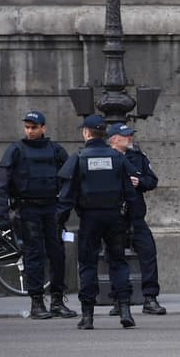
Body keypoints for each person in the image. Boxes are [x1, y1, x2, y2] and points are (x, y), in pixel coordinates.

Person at [56, 115, 138, 330]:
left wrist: (59, 222)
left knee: (88, 264)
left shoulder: (79, 158)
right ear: (104, 134)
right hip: (114, 217)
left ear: (86, 133)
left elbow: (66, 196)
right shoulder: (117, 158)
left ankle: (88, 315)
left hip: (90, 218)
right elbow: (130, 193)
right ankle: (125, 310)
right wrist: (131, 221)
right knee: (118, 262)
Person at [0, 111, 77, 319]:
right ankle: (37, 302)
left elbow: (70, 180)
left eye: (34, 127)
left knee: (57, 254)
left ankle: (57, 300)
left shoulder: (55, 150)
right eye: (27, 127)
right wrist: (3, 217)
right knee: (34, 255)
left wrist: (63, 209)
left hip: (51, 209)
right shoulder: (16, 150)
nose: (30, 131)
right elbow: (2, 186)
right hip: (27, 209)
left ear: (43, 128)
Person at [106, 123, 166, 316]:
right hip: (114, 217)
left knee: (148, 254)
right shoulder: (105, 158)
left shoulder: (138, 157)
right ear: (114, 138)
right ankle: (119, 299)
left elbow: (152, 181)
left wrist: (139, 182)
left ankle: (150, 298)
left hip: (136, 217)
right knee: (114, 258)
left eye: (130, 135)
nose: (130, 138)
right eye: (125, 136)